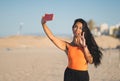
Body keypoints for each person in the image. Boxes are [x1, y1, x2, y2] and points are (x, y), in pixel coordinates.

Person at [41, 16, 102, 81]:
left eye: (80, 28)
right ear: (72, 28)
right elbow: (52, 38)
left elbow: (91, 61)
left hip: (82, 76)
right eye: (75, 27)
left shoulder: (86, 46)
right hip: (69, 74)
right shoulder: (67, 46)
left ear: (83, 31)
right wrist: (43, 24)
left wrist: (84, 47)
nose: (77, 29)